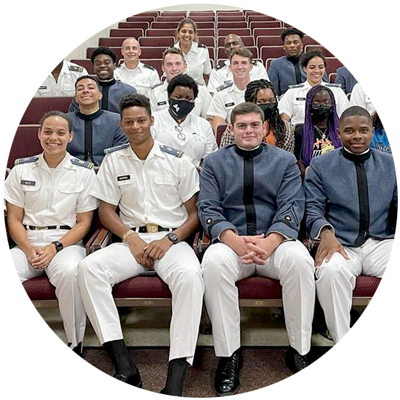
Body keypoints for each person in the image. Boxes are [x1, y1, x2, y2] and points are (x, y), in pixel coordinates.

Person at [77, 94, 204, 396]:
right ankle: (124, 365)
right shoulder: (113, 160)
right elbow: (106, 210)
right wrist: (129, 237)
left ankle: (176, 374)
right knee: (87, 269)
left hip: (171, 241)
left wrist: (170, 239)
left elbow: (195, 213)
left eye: (141, 120)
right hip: (130, 240)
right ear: (121, 124)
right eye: (129, 121)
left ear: (151, 121)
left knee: (190, 277)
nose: (135, 126)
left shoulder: (178, 160)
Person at [198, 102, 316, 396]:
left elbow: (292, 205)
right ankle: (228, 356)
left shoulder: (285, 161)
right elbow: (208, 207)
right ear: (232, 130)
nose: (248, 130)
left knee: (301, 262)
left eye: (254, 125)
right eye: (241, 126)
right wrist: (234, 240)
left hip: (274, 242)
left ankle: (299, 349)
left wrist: (270, 241)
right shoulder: (214, 162)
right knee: (212, 265)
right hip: (231, 243)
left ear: (264, 128)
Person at [4, 111, 98, 355]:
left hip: (65, 244)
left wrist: (54, 247)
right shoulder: (20, 170)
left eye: (60, 133)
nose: (53, 137)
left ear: (70, 136)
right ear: (39, 134)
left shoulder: (84, 173)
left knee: (70, 272)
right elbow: (13, 218)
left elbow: (83, 222)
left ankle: (74, 342)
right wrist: (27, 248)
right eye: (47, 132)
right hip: (27, 242)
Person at [304, 105, 397, 344]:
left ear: (372, 131)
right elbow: (312, 208)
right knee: (329, 273)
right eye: (349, 131)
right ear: (339, 132)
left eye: (363, 130)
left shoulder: (391, 164)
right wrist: (325, 232)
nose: (357, 136)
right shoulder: (321, 166)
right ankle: (341, 341)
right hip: (341, 243)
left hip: (381, 241)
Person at [151, 74, 217, 167]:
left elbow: (210, 160)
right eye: (178, 97)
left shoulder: (203, 125)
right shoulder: (154, 121)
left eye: (188, 98)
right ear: (169, 97)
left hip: (195, 176)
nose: (183, 101)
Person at [66, 75, 127, 166]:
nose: (86, 91)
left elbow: (121, 153)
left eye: (90, 87)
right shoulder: (65, 121)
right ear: (75, 98)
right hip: (72, 172)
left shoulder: (116, 120)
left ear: (100, 95)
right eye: (80, 89)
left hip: (108, 170)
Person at [220, 79, 295, 152]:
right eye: (261, 101)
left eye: (271, 100)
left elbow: (287, 159)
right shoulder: (236, 128)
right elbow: (225, 156)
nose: (267, 104)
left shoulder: (286, 128)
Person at [279, 50, 349, 125]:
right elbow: (283, 120)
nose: (317, 71)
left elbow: (346, 118)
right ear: (305, 69)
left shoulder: (337, 91)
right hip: (300, 135)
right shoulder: (293, 92)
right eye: (312, 67)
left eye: (321, 67)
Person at [69, 47, 137, 114]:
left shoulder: (128, 91)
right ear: (94, 68)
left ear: (114, 66)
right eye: (98, 64)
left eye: (106, 63)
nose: (102, 66)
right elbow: (73, 117)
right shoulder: (85, 91)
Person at [148, 47, 212, 118]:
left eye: (178, 64)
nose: (174, 68)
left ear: (185, 66)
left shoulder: (202, 91)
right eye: (169, 64)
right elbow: (151, 122)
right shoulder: (154, 93)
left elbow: (209, 120)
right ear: (163, 68)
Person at [294, 85, 341, 175]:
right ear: (309, 105)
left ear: (332, 105)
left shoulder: (340, 130)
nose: (322, 105)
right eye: (316, 102)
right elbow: (298, 162)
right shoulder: (300, 132)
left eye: (326, 102)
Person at [206, 47, 253, 134]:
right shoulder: (221, 94)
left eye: (244, 63)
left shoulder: (259, 92)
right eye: (235, 63)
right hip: (231, 140)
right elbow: (218, 126)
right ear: (230, 67)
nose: (239, 67)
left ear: (250, 67)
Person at [267, 27, 307, 97]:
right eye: (288, 43)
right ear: (284, 46)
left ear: (301, 45)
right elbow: (273, 92)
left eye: (295, 42)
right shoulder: (276, 64)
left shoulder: (312, 62)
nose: (292, 46)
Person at [173, 18, 211, 86]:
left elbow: (206, 75)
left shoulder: (203, 50)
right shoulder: (171, 51)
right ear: (178, 33)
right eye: (183, 31)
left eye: (190, 32)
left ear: (194, 35)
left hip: (199, 90)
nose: (187, 35)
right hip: (178, 90)